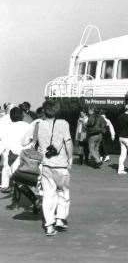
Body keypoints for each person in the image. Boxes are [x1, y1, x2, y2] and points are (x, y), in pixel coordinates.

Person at [32, 100, 73, 236]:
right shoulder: (63, 123)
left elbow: (29, 142)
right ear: (57, 110)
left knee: (48, 195)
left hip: (46, 165)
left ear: (44, 110)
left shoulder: (38, 125)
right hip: (61, 164)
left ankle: (49, 225)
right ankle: (60, 218)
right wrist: (70, 158)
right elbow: (68, 142)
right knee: (63, 192)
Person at [0, 107, 32, 192]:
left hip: (11, 155)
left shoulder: (7, 127)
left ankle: (6, 185)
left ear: (10, 117)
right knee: (20, 178)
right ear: (22, 116)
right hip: (24, 155)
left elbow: (3, 142)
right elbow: (31, 141)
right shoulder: (28, 126)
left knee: (11, 173)